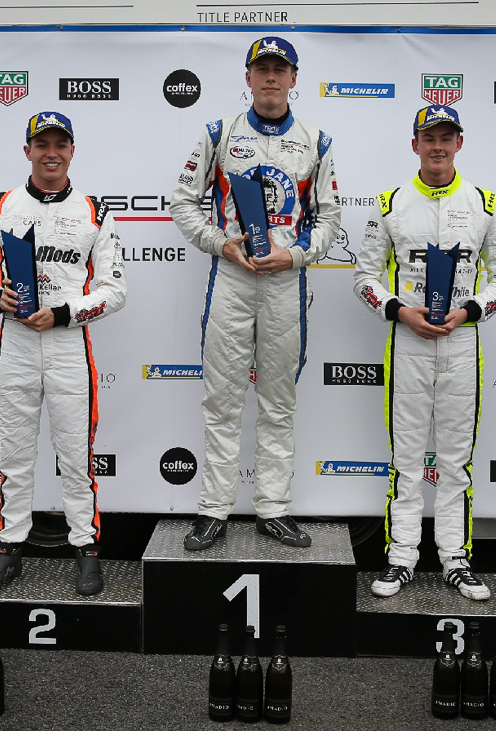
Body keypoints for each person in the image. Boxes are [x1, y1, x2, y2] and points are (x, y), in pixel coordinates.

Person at [169, 36, 341, 550]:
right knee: (221, 400)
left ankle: (273, 508)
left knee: (278, 402)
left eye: (279, 69)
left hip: (286, 281)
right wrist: (221, 244)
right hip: (233, 278)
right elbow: (183, 202)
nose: (270, 77)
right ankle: (213, 510)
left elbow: (329, 218)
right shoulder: (220, 133)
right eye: (262, 68)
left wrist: (296, 255)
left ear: (293, 79)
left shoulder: (316, 141)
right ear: (248, 78)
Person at [352, 105, 496, 600]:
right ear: (415, 145)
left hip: (462, 343)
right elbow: (364, 278)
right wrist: (400, 311)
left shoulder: (485, 203)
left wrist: (469, 311)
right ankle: (401, 558)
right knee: (405, 459)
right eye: (429, 138)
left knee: (455, 463)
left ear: (459, 143)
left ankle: (455, 559)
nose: (438, 147)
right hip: (409, 343)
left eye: (447, 138)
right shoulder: (390, 204)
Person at [0, 111, 126, 595]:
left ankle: (87, 550)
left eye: (60, 144)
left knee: (76, 457)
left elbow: (115, 290)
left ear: (72, 151)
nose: (51, 153)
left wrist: (62, 314)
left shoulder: (95, 210)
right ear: (27, 151)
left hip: (67, 344)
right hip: (14, 344)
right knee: (14, 455)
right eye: (42, 144)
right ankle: (9, 549)